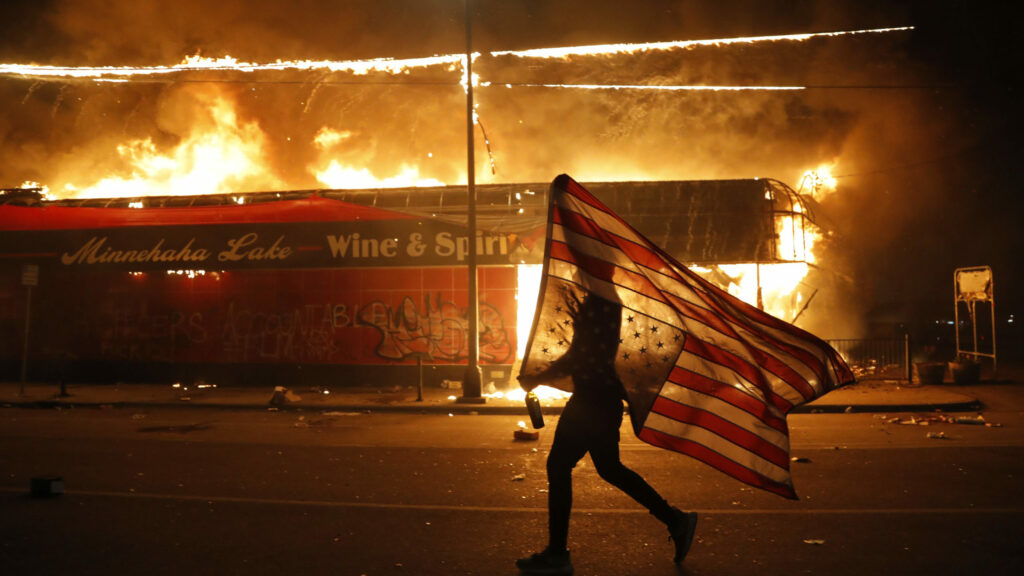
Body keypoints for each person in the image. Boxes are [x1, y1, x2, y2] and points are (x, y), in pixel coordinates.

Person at [516, 290, 698, 575]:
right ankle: (675, 519)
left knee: (560, 465)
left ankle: (557, 555)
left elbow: (581, 355)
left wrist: (538, 377)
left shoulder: (601, 300)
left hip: (593, 401)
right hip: (600, 399)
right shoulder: (601, 297)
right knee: (609, 468)